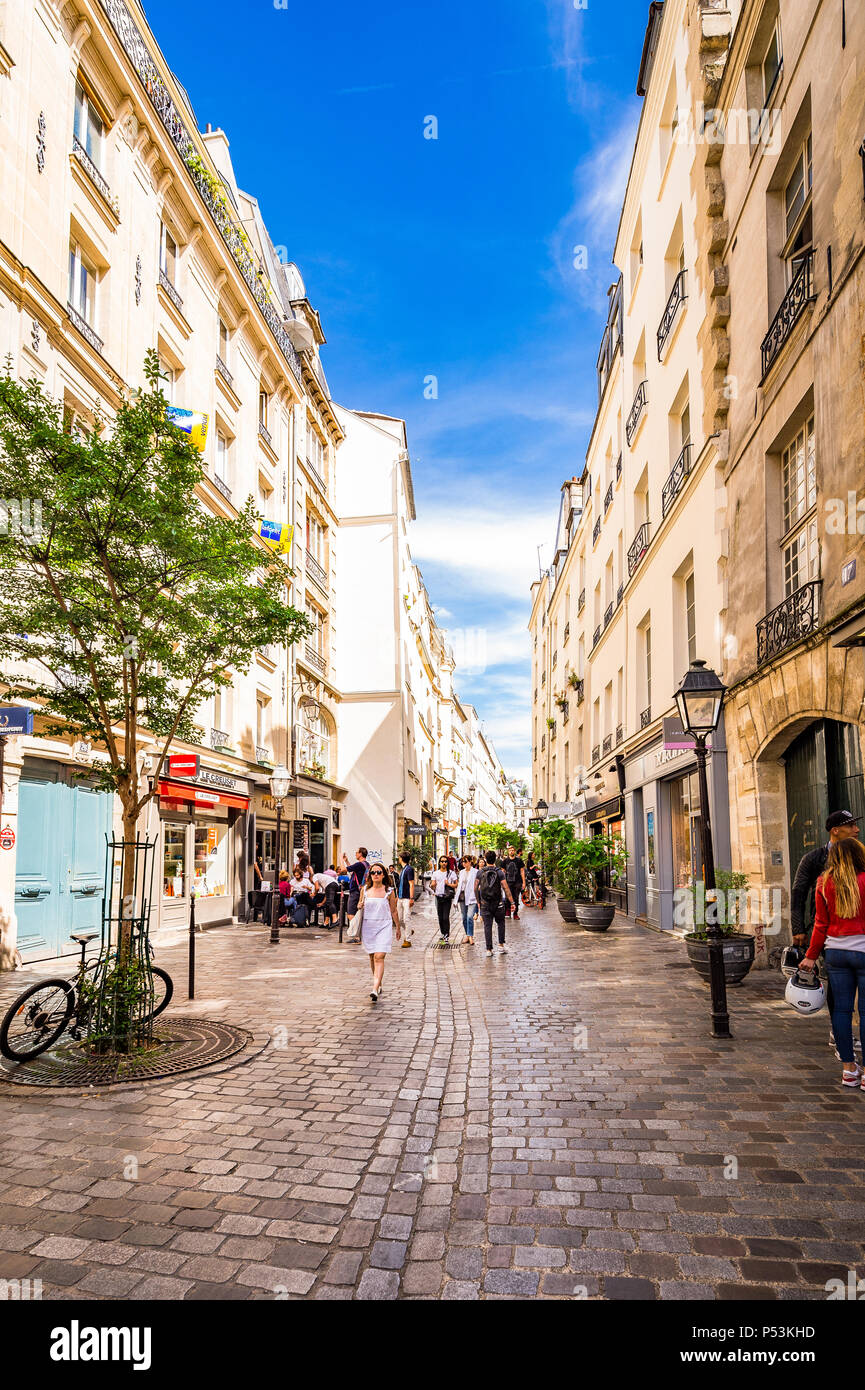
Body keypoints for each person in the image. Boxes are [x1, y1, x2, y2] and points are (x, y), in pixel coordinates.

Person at [791, 810, 860, 1054]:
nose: (856, 830)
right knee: (837, 987)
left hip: (844, 936)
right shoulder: (814, 858)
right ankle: (839, 1032)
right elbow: (799, 892)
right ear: (835, 830)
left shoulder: (858, 856)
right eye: (851, 826)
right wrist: (798, 929)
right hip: (827, 933)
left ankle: (846, 1043)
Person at [799, 839, 865, 1088]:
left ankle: (849, 1069)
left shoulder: (824, 882)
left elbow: (820, 923)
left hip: (836, 952)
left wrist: (811, 955)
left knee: (841, 1011)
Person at [358, 862, 401, 1001]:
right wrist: (359, 905)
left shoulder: (389, 891)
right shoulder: (364, 890)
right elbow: (359, 906)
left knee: (379, 956)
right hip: (368, 926)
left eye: (378, 872)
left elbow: (394, 910)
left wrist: (398, 928)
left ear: (383, 875)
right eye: (373, 872)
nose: (375, 875)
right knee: (372, 956)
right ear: (370, 875)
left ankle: (375, 988)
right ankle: (378, 982)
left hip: (384, 925)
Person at [476, 850, 516, 956]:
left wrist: (478, 901)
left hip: (485, 903)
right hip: (498, 903)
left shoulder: (480, 872)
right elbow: (505, 887)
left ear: (485, 859)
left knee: (487, 925)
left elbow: (475, 888)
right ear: (495, 859)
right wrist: (512, 902)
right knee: (501, 923)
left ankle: (489, 950)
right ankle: (501, 946)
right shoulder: (499, 872)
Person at [430, 855, 458, 942]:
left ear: (447, 863)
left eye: (445, 861)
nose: (444, 863)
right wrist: (432, 886)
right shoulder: (435, 873)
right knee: (440, 917)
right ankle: (443, 933)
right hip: (438, 897)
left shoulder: (451, 873)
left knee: (446, 917)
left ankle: (446, 934)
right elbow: (432, 885)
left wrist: (449, 884)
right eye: (442, 861)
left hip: (447, 897)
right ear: (439, 863)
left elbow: (456, 884)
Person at [342, 848, 369, 929]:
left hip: (355, 892)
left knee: (351, 914)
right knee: (359, 913)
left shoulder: (359, 864)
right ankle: (359, 934)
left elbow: (343, 870)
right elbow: (353, 871)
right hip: (361, 891)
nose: (355, 854)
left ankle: (356, 934)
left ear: (360, 854)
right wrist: (346, 861)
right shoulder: (366, 864)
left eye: (357, 852)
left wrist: (340, 858)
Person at [456, 854, 478, 945]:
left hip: (472, 896)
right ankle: (467, 935)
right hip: (462, 896)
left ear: (470, 862)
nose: (463, 863)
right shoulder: (461, 872)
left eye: (465, 861)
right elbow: (459, 885)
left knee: (469, 916)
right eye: (462, 862)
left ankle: (471, 935)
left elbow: (477, 884)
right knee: (464, 917)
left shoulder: (475, 872)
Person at [396, 852, 415, 948]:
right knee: (399, 919)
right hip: (400, 897)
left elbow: (411, 884)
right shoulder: (403, 870)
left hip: (407, 897)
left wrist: (412, 898)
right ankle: (409, 930)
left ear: (401, 858)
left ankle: (408, 940)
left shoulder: (409, 869)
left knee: (407, 918)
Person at [503, 845, 526, 921]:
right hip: (508, 882)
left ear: (514, 851)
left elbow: (522, 871)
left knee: (516, 898)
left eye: (513, 850)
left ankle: (515, 913)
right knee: (507, 898)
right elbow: (503, 871)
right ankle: (508, 911)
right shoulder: (505, 861)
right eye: (510, 850)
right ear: (508, 851)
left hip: (517, 882)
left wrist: (524, 882)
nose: (511, 851)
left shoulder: (519, 860)